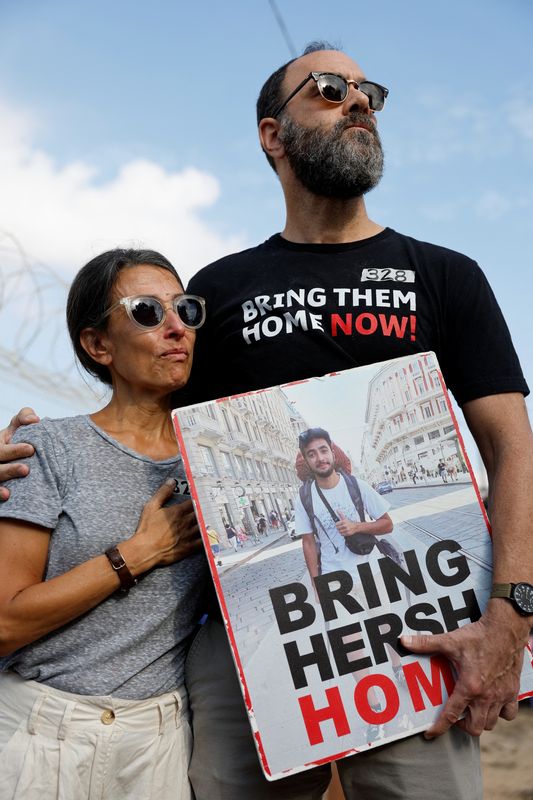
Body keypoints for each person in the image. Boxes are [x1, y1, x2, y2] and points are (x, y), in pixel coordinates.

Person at [2, 42, 533, 800]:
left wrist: (511, 615)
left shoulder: (442, 273)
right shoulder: (218, 291)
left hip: (415, 636)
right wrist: (29, 453)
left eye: (366, 91)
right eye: (327, 88)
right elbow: (143, 435)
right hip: (247, 637)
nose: (357, 101)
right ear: (271, 135)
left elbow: (513, 451)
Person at [0, 249, 209, 800]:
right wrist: (136, 555)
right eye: (146, 311)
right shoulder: (47, 448)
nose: (176, 328)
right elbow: (5, 621)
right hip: (41, 736)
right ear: (99, 345)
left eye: (186, 309)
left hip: (158, 747)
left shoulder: (216, 463)